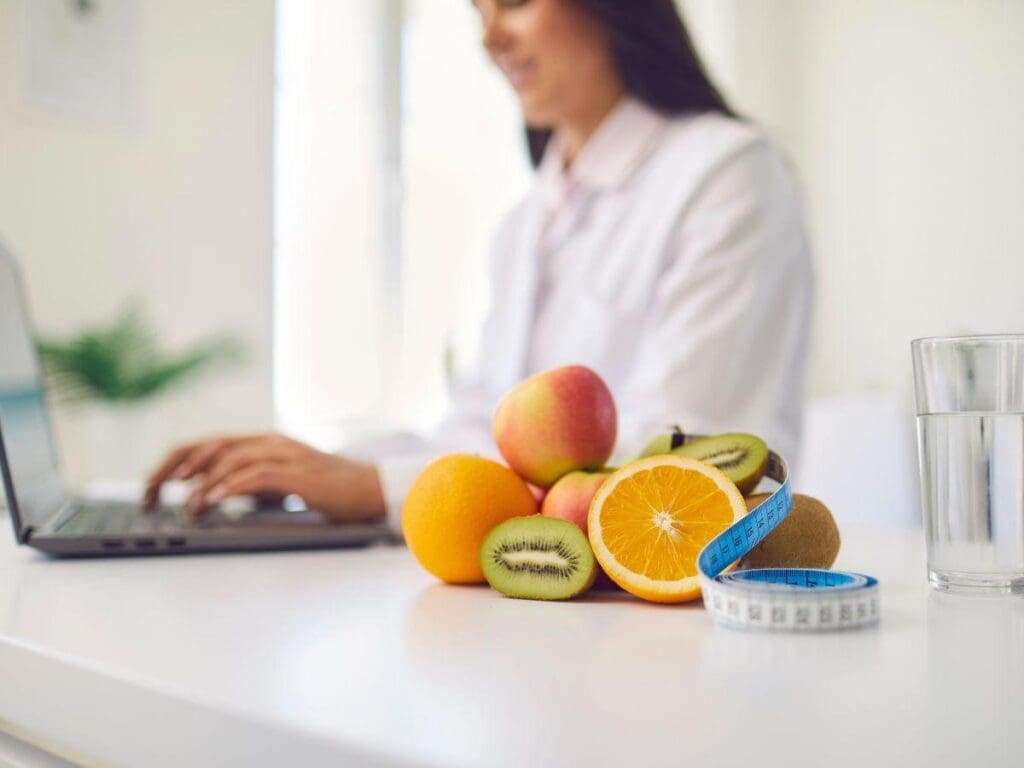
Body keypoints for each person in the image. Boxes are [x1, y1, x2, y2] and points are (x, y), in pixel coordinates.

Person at [144, 0, 813, 534]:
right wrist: (308, 467)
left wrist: (374, 488)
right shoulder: (528, 218)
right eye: (478, 11)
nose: (489, 38)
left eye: (514, 3)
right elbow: (476, 431)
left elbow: (684, 447)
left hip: (672, 594)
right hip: (535, 598)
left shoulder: (726, 173)